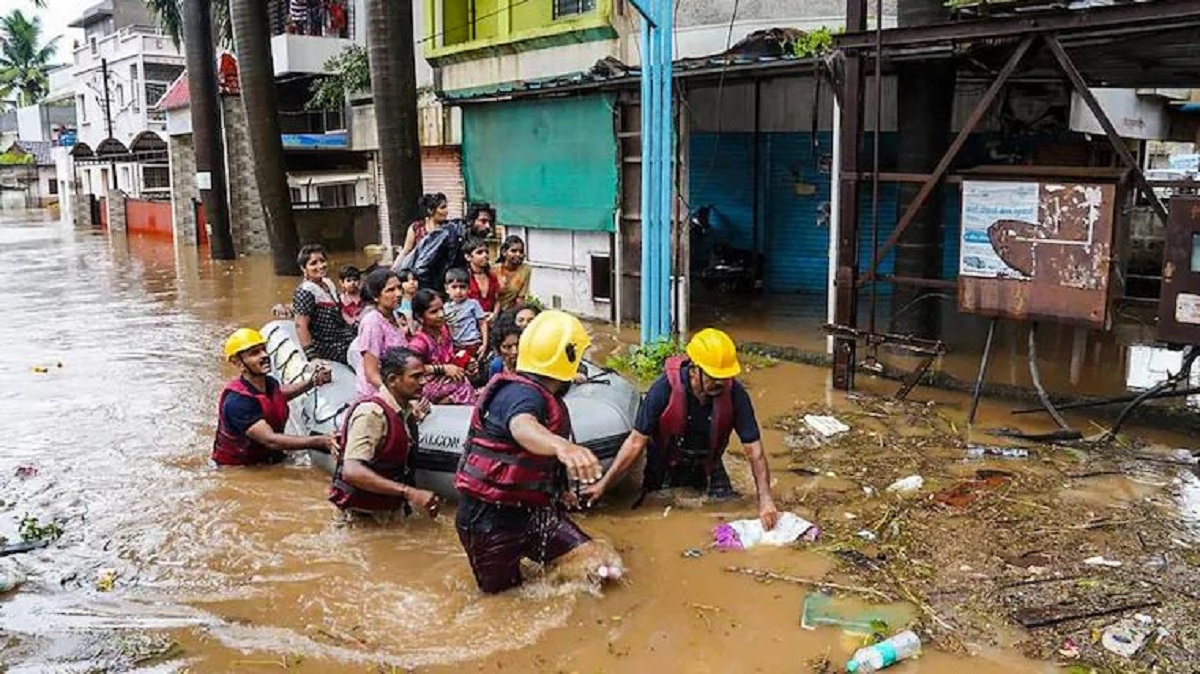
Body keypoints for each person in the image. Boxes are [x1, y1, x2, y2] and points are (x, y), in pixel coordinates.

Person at [454, 310, 609, 594]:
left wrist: (560, 489)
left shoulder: (542, 394)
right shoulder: (520, 394)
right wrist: (563, 447)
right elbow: (523, 427)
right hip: (489, 519)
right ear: (568, 357)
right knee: (503, 601)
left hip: (532, 512)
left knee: (599, 565)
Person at [583, 328, 780, 530]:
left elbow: (754, 451)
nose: (720, 382)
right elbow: (636, 442)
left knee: (727, 510)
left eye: (725, 376)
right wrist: (604, 484)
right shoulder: (663, 389)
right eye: (713, 377)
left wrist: (765, 499)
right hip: (664, 466)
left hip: (708, 465)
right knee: (659, 520)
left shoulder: (735, 395)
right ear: (695, 369)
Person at [329, 347, 440, 520]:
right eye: (416, 376)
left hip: (388, 511)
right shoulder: (371, 414)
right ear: (393, 380)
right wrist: (409, 492)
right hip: (360, 517)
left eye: (424, 375)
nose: (424, 382)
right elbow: (352, 471)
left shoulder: (406, 411)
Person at [213, 328, 338, 466]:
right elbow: (270, 440)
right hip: (242, 468)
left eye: (264, 349)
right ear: (238, 363)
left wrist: (312, 382)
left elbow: (277, 396)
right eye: (255, 353)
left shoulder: (268, 383)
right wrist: (321, 441)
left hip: (268, 458)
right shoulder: (238, 402)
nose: (265, 355)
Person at [406, 288, 478, 405]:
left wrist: (466, 363)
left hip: (447, 378)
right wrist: (444, 368)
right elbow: (411, 369)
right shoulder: (419, 342)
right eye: (434, 312)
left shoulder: (444, 331)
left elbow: (451, 358)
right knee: (461, 386)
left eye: (441, 309)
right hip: (428, 385)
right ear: (420, 317)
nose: (441, 315)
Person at [293, 244, 356, 365]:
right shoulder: (305, 291)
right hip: (327, 344)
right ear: (303, 268)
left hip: (342, 335)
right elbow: (300, 325)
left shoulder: (328, 283)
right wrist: (312, 357)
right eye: (313, 263)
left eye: (322, 261)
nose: (320, 266)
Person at [355, 269, 408, 400]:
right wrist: (394, 398)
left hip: (398, 386)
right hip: (378, 394)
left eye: (399, 288)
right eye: (390, 290)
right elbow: (371, 374)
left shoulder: (394, 315)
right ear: (376, 296)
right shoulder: (373, 323)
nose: (399, 294)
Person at [444, 268, 488, 360]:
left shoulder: (473, 304)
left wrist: (484, 344)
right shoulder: (445, 308)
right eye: (454, 287)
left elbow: (482, 323)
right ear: (447, 289)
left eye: (462, 287)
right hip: (456, 346)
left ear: (468, 288)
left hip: (473, 344)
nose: (458, 291)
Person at [399, 193, 449, 262]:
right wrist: (394, 269)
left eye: (446, 207)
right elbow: (406, 251)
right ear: (430, 210)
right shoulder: (416, 228)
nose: (446, 211)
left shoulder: (448, 229)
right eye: (442, 208)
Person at [495, 235, 532, 312]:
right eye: (513, 251)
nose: (518, 254)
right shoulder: (494, 270)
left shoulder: (525, 269)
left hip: (510, 311)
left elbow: (520, 298)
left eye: (521, 251)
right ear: (504, 252)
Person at [464, 237, 499, 315]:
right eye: (479, 253)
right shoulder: (464, 278)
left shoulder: (492, 276)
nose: (485, 255)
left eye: (486, 252)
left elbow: (497, 300)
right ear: (468, 257)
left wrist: (494, 315)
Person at [487, 310, 523, 380]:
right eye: (508, 347)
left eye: (518, 345)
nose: (515, 351)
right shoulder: (496, 366)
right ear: (499, 349)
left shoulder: (531, 366)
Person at [395, 267, 419, 332]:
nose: (412, 282)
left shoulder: (421, 301)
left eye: (414, 279)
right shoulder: (396, 306)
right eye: (406, 280)